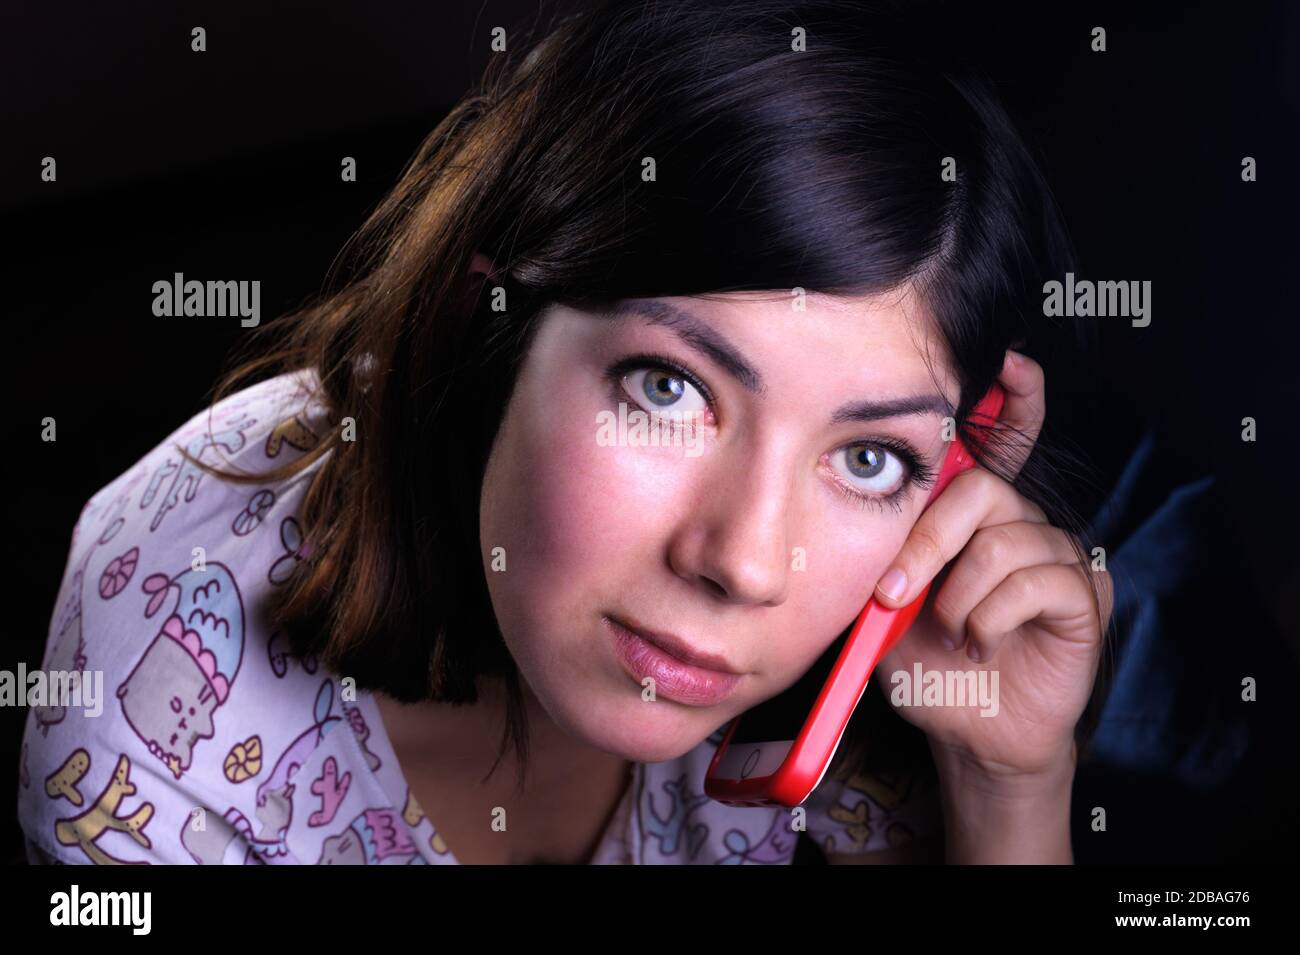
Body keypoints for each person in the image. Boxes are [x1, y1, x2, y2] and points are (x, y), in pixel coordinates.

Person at [18, 0, 1111, 865]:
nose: (741, 562)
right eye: (669, 389)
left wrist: (1007, 785)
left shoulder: (875, 644)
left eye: (868, 458)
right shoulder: (149, 693)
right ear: (484, 325)